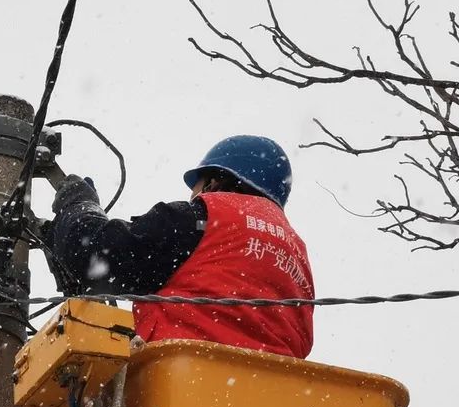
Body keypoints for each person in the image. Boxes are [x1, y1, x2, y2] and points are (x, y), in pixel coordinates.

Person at [49, 135, 314, 358]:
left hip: (185, 390)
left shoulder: (201, 218)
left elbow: (94, 255)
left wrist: (78, 205)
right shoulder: (298, 255)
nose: (193, 196)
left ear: (213, 182)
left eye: (196, 187)